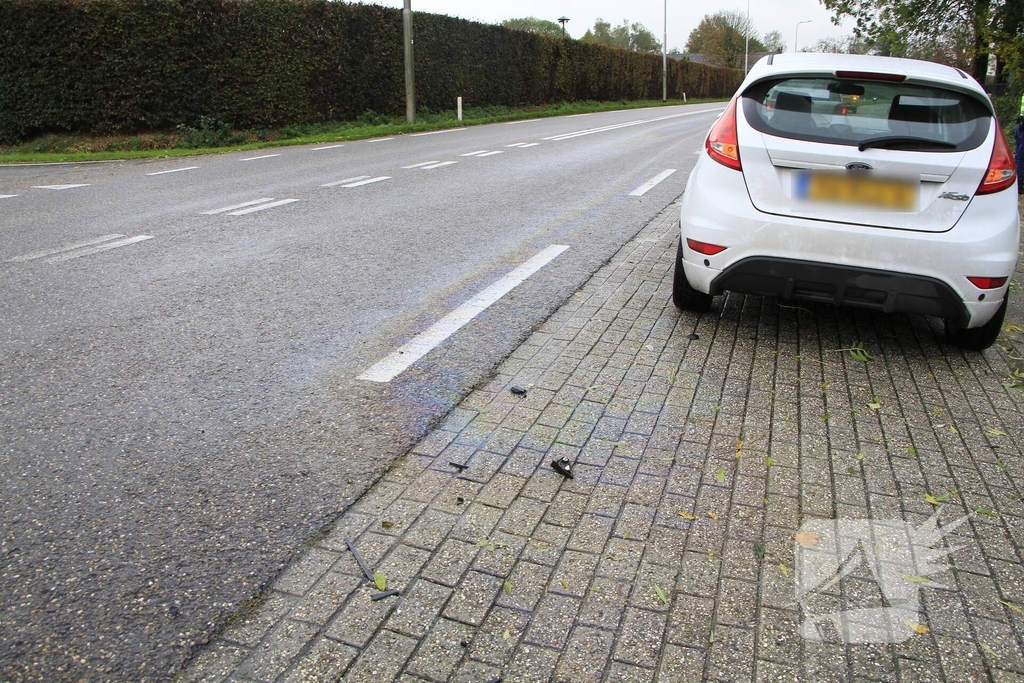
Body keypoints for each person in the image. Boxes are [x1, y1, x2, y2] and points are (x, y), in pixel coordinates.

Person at [1017, 93, 1024, 194]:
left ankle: (1019, 184)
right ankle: (1020, 184)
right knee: (1021, 157)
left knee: (1020, 157)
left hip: (1021, 125)